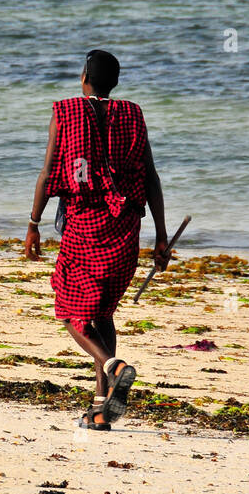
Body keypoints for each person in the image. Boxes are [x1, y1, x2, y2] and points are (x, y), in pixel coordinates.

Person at [25, 48, 170, 430]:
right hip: (125, 229)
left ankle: (113, 366)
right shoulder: (133, 114)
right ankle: (102, 408)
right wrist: (161, 235)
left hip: (83, 225)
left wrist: (33, 223)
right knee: (102, 314)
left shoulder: (66, 111)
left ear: (83, 77)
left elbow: (46, 173)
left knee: (71, 314)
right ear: (115, 83)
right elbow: (151, 176)